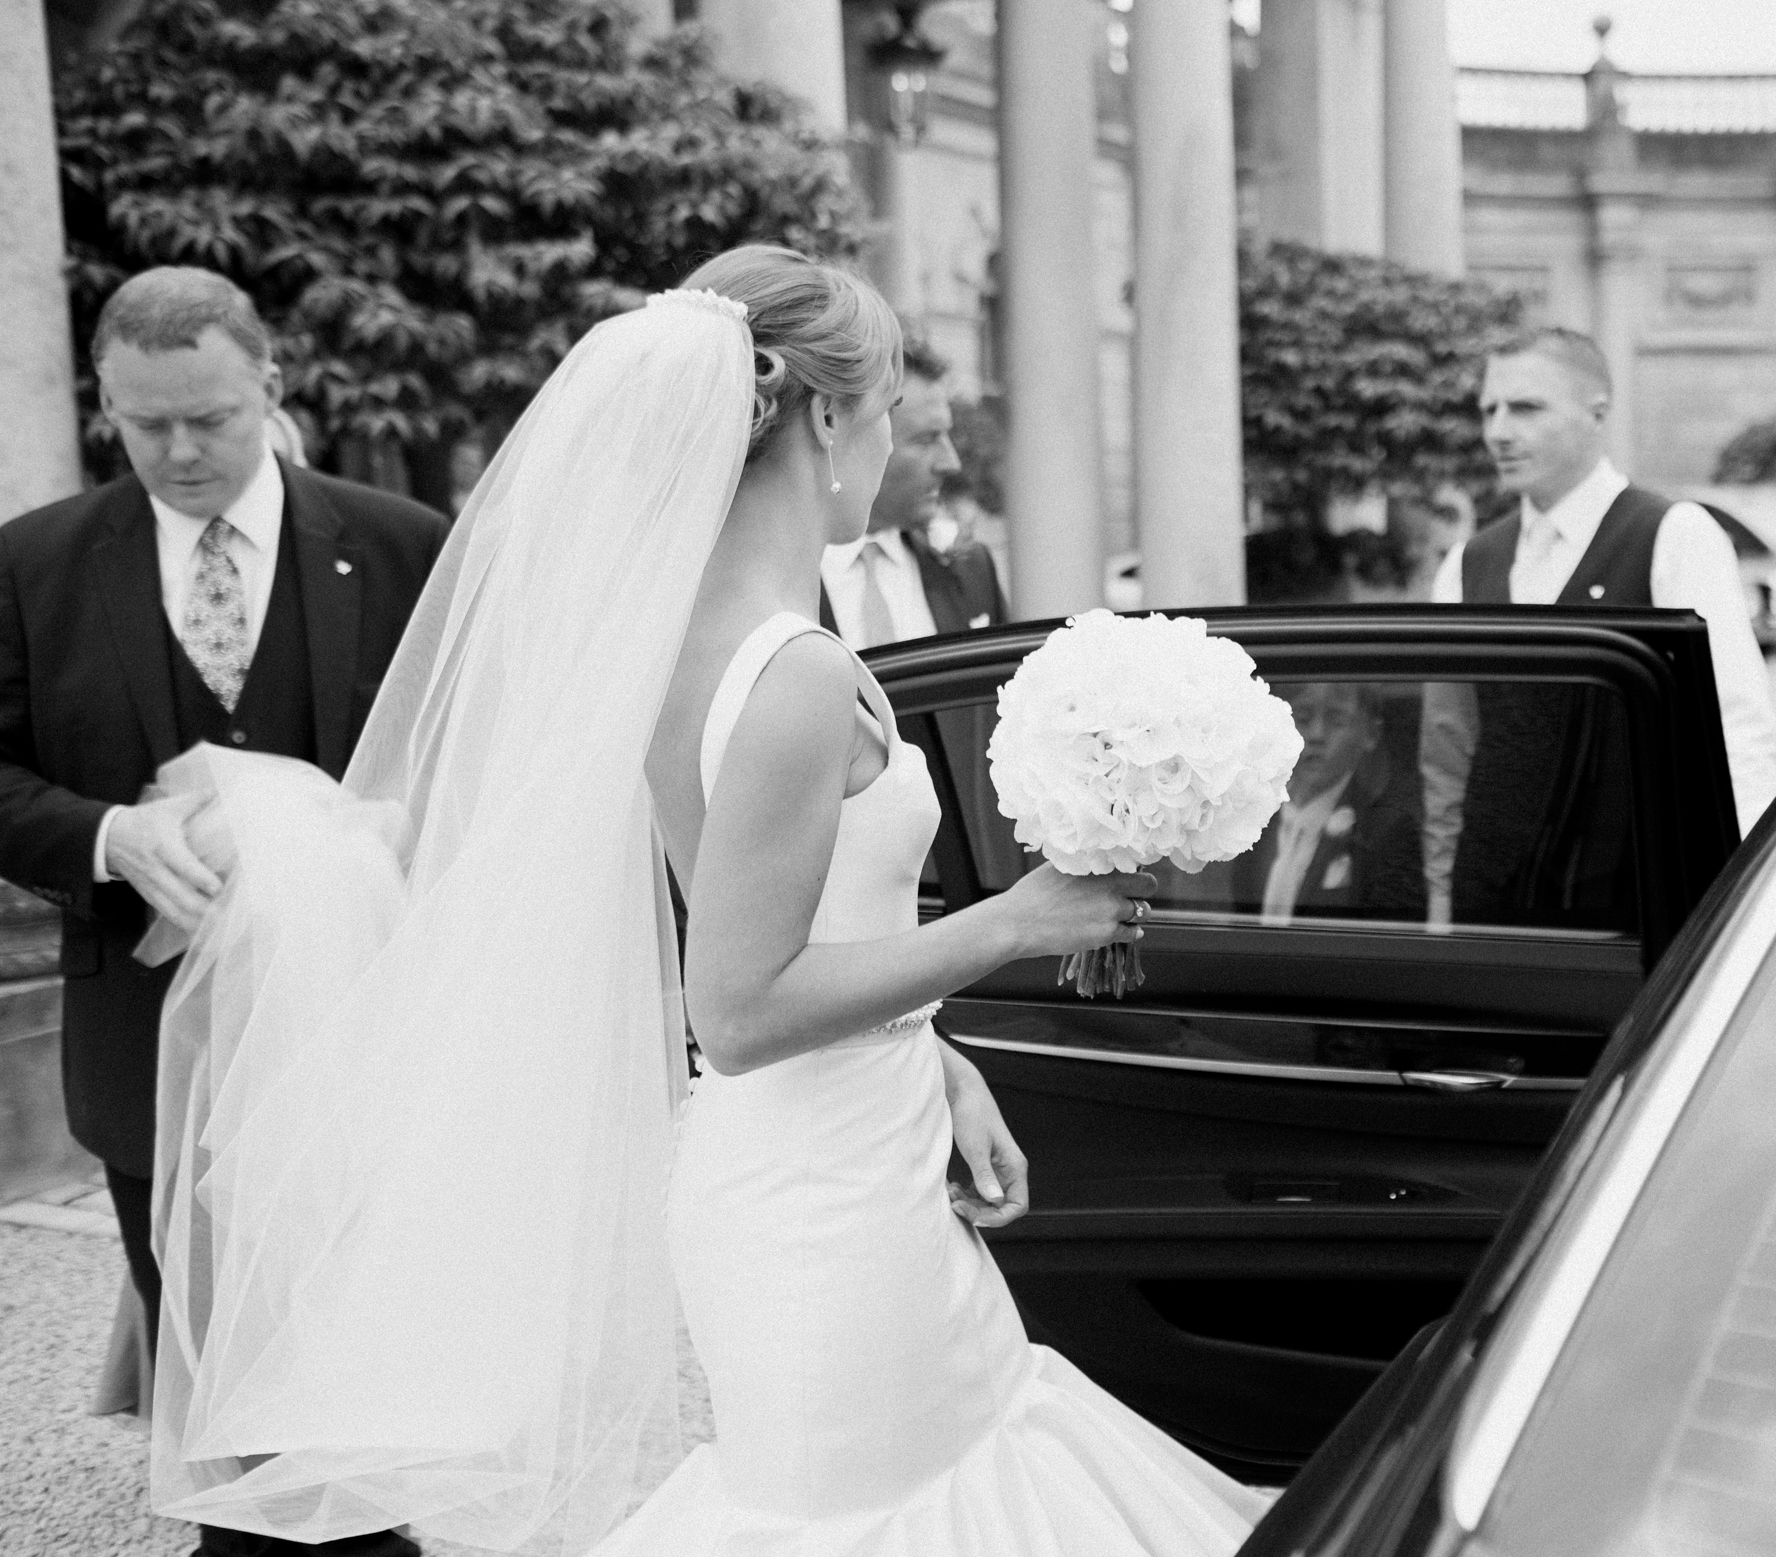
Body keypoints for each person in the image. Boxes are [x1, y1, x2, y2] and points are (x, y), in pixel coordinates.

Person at [143, 247, 1264, 1557]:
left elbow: (780, 938)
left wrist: (935, 1054)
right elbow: (736, 1006)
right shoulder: (788, 673)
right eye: (893, 396)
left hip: (841, 1149)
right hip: (813, 1202)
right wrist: (1017, 921)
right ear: (827, 416)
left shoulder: (687, 631)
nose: (901, 428)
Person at [0, 267, 446, 1557]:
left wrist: (387, 839)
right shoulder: (32, 566)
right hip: (144, 1050)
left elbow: (474, 761)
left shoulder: (403, 541)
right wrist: (103, 835)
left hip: (365, 1037)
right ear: (107, 407)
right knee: (214, 1391)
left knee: (361, 1368)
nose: (182, 452)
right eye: (147, 425)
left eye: (211, 416)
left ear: (272, 384)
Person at [1421, 328, 1776, 926]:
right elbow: (1447, 755)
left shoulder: (1674, 536)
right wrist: (1440, 898)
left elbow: (1734, 724)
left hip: (1635, 898)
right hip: (1491, 903)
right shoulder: (1468, 564)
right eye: (1489, 409)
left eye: (1526, 407)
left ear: (1597, 413)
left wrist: (1744, 888)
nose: (1499, 431)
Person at [819, 337, 1007, 647]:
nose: (951, 463)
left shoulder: (973, 571)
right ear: (862, 438)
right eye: (926, 439)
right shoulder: (772, 587)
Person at [1241, 682, 1423, 926]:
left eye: (1337, 720)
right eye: (1302, 719)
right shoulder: (1253, 819)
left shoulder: (1386, 832)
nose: (1316, 735)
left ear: (1371, 734)